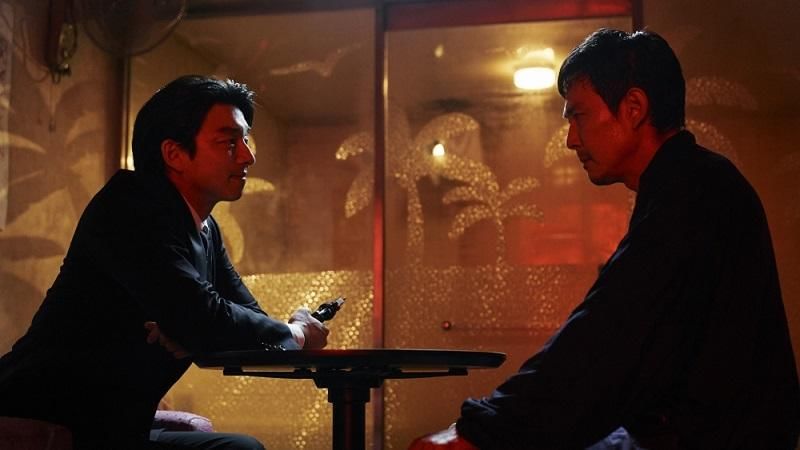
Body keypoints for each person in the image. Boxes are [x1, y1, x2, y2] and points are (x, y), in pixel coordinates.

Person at [409, 28, 800, 450]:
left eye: (578, 115)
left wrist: (482, 431)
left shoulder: (693, 193)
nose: (570, 139)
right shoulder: (694, 183)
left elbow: (607, 336)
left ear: (633, 108)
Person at [0, 75, 329, 449]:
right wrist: (295, 333)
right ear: (174, 154)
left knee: (240, 446)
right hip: (41, 419)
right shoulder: (129, 207)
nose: (247, 156)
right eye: (229, 142)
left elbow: (238, 320)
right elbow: (206, 316)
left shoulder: (205, 229)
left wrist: (196, 334)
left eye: (245, 140)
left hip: (113, 429)